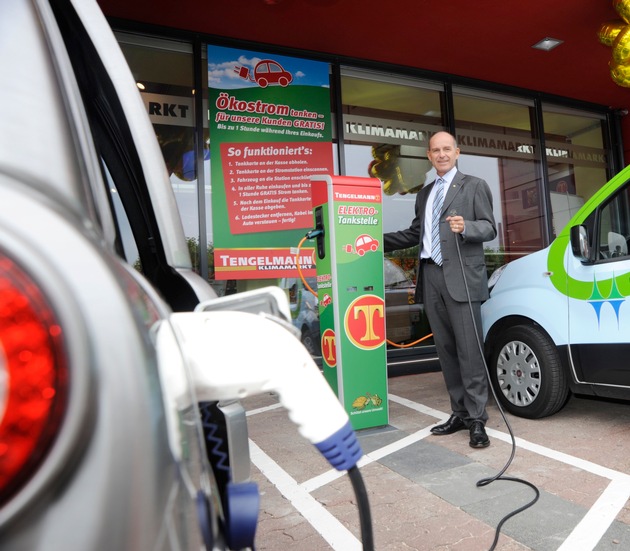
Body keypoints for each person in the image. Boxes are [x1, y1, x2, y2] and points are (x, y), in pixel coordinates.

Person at [384, 131, 497, 448]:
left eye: (447, 149)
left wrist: (467, 227)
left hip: (461, 277)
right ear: (429, 156)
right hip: (431, 277)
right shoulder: (425, 193)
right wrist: (371, 240)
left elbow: (490, 227)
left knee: (469, 352)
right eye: (436, 150)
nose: (442, 154)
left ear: (457, 152)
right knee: (446, 352)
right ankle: (459, 413)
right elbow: (415, 233)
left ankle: (477, 420)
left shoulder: (474, 185)